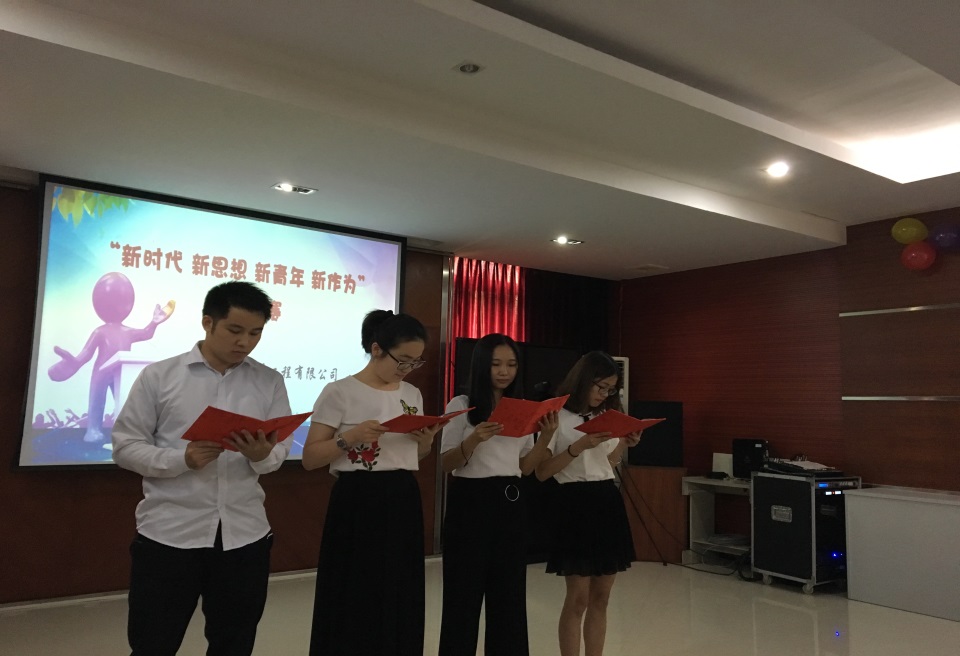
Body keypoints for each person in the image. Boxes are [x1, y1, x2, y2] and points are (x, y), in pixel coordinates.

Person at [111, 280, 291, 656]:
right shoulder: (160, 376)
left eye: (255, 333)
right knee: (153, 643)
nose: (245, 342)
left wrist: (261, 454)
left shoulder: (269, 381)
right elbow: (125, 447)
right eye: (235, 330)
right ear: (208, 322)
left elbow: (277, 454)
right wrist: (182, 459)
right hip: (169, 535)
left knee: (234, 643)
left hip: (245, 536)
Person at [302, 309, 441, 656]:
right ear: (377, 349)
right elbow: (310, 457)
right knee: (356, 591)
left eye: (415, 362)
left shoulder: (412, 394)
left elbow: (414, 455)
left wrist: (426, 441)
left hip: (403, 495)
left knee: (401, 587)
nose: (407, 369)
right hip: (357, 499)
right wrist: (350, 437)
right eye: (402, 360)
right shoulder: (340, 392)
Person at [438, 333, 556, 656]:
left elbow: (526, 467)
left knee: (509, 598)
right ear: (481, 365)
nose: (505, 371)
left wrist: (546, 437)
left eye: (511, 365)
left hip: (510, 502)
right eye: (496, 364)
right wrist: (474, 439)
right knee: (462, 597)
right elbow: (447, 463)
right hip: (470, 502)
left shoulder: (521, 409)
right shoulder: (461, 405)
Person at [535, 351, 642, 656]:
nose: (604, 394)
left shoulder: (606, 415)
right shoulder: (557, 415)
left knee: (602, 597)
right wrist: (577, 447)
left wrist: (624, 443)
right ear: (583, 380)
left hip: (606, 500)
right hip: (573, 504)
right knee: (578, 598)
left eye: (610, 389)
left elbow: (607, 463)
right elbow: (542, 472)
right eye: (600, 387)